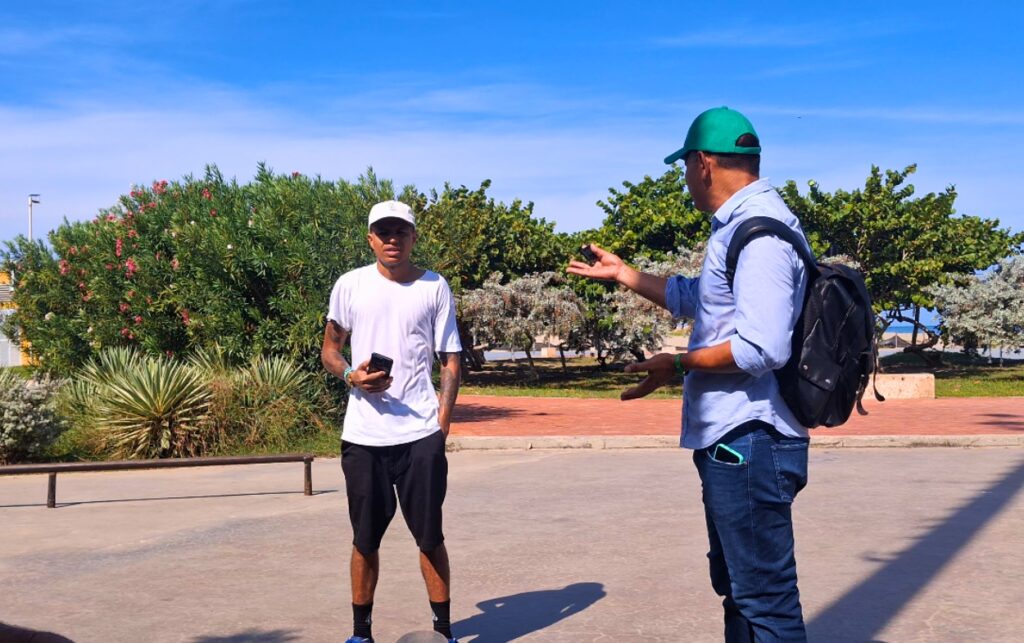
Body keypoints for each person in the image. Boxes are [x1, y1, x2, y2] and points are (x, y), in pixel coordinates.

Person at [568, 106, 812, 642]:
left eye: (685, 168)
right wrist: (624, 274)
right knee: (740, 591)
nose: (686, 180)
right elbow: (698, 299)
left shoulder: (760, 232)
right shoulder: (739, 228)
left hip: (751, 440)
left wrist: (674, 364)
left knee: (766, 601)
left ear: (703, 164)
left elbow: (759, 348)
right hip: (737, 440)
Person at [322, 200, 463, 643]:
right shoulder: (350, 285)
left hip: (420, 434)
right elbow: (329, 350)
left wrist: (441, 425)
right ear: (370, 239)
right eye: (382, 232)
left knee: (429, 535)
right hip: (364, 436)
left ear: (413, 237)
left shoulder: (434, 287)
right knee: (364, 540)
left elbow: (451, 361)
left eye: (400, 232)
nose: (391, 240)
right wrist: (351, 375)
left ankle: (444, 631)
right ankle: (361, 634)